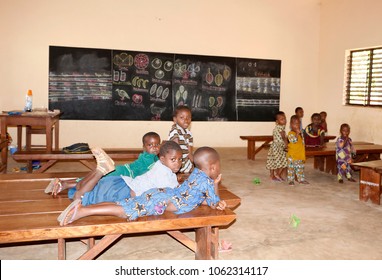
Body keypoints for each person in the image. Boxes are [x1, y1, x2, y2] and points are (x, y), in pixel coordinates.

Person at [57, 146, 227, 226]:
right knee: (128, 209)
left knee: (124, 205)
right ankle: (84, 210)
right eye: (218, 166)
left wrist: (212, 198)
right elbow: (214, 202)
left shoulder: (195, 175)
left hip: (161, 194)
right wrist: (216, 185)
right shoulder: (208, 181)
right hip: (160, 199)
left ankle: (82, 198)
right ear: (212, 167)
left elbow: (196, 199)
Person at [52, 140, 182, 207]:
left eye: (180, 159)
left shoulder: (159, 165)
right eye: (173, 160)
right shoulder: (165, 175)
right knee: (79, 197)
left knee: (81, 187)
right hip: (122, 193)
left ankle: (100, 168)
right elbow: (178, 193)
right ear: (162, 159)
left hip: (121, 182)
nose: (177, 163)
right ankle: (100, 170)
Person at [45, 132, 161, 197]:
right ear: (144, 148)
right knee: (97, 181)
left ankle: (64, 183)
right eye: (150, 145)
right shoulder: (150, 158)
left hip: (123, 171)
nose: (154, 147)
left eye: (157, 144)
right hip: (123, 173)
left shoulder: (153, 157)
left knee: (96, 176)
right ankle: (65, 184)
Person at [168, 105, 194, 173]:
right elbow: (176, 151)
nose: (186, 120)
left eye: (188, 117)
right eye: (182, 117)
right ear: (175, 119)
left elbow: (190, 153)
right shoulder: (175, 131)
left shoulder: (189, 134)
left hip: (186, 162)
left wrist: (195, 164)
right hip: (176, 161)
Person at [287, 115, 309, 185]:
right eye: (295, 124)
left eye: (298, 123)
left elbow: (302, 142)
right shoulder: (290, 134)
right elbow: (293, 141)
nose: (297, 125)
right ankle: (291, 180)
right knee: (291, 169)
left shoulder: (300, 133)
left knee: (300, 169)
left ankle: (301, 180)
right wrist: (296, 134)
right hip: (292, 156)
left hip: (299, 155)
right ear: (291, 125)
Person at [266, 111, 288, 181]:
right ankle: (278, 174)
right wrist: (287, 145)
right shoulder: (281, 128)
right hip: (279, 148)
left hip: (274, 147)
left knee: (272, 161)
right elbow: (284, 138)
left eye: (284, 118)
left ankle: (272, 176)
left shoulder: (278, 127)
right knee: (284, 161)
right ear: (277, 121)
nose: (284, 120)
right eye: (282, 119)